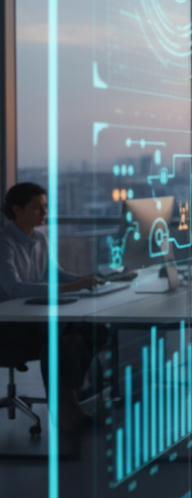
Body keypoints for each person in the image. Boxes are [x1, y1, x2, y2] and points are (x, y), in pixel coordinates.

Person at [0, 182, 103, 427]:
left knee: (92, 332)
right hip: (12, 326)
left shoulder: (40, 239)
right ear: (17, 209)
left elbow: (57, 274)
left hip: (37, 318)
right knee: (62, 339)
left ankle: (69, 402)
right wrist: (68, 288)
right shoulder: (4, 243)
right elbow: (13, 288)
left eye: (45, 207)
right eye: (37, 208)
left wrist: (84, 280)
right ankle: (68, 408)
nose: (44, 213)